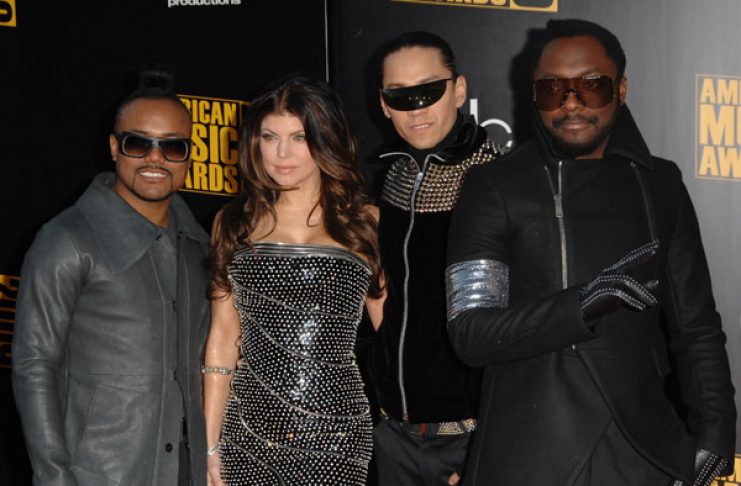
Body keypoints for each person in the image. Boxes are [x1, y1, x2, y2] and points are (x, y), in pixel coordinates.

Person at [445, 18, 736, 486]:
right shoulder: (494, 187)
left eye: (592, 85)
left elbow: (697, 326)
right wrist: (581, 305)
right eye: (552, 89)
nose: (571, 102)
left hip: (642, 449)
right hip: (530, 453)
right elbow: (471, 333)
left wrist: (717, 432)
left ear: (621, 89)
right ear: (534, 96)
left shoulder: (660, 184)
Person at [12, 67, 211, 485]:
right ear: (114, 147)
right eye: (138, 143)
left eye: (172, 147)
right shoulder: (67, 240)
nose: (155, 158)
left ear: (189, 157)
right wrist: (54, 477)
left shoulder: (200, 247)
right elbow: (34, 365)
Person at [203, 75, 384, 486]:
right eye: (270, 137)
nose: (282, 154)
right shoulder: (233, 223)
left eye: (299, 138)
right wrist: (210, 445)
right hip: (248, 431)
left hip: (337, 433)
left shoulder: (365, 223)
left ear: (324, 140)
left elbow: (389, 332)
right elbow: (223, 338)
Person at [367, 31, 505, 486]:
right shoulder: (393, 178)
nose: (416, 109)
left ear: (459, 90)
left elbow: (519, 324)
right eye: (400, 96)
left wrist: (490, 443)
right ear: (384, 105)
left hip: (470, 438)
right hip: (393, 432)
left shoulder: (498, 182)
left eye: (429, 91)